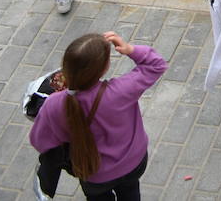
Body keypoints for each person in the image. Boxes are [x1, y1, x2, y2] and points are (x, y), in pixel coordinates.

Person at [28, 29, 165, 199]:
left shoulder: (54, 105)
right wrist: (130, 49)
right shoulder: (121, 92)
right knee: (130, 192)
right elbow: (156, 65)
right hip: (133, 163)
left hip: (92, 173)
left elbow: (39, 141)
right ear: (103, 68)